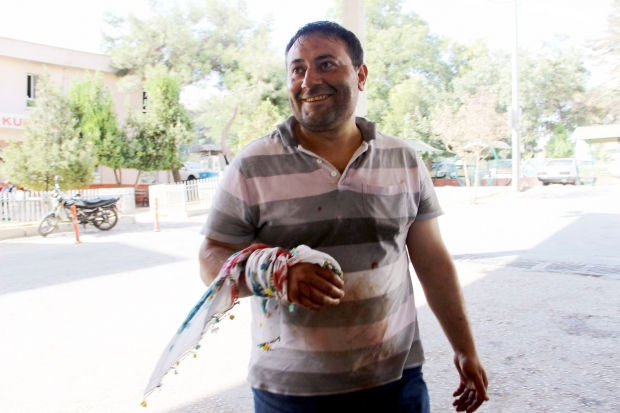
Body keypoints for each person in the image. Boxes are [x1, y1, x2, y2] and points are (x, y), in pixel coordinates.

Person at [199, 21, 488, 413]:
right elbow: (211, 259)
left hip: (396, 381)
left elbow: (432, 261)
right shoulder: (252, 166)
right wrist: (274, 273)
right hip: (290, 391)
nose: (309, 80)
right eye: (297, 69)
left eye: (326, 64)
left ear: (360, 75)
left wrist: (465, 348)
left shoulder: (403, 159)